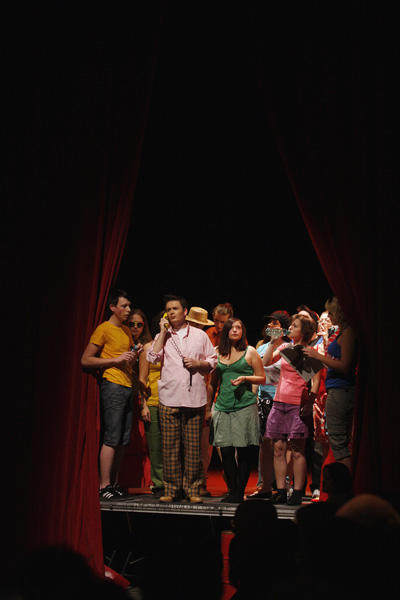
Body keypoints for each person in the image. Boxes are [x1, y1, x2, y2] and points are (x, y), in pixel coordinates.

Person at [147, 295, 217, 503]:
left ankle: (193, 489)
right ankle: (171, 489)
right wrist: (162, 332)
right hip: (169, 397)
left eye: (175, 308)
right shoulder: (164, 336)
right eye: (168, 309)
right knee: (170, 447)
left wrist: (198, 363)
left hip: (194, 398)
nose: (171, 312)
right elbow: (152, 358)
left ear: (185, 311)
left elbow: (213, 360)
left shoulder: (199, 335)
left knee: (193, 448)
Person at [81, 288, 141, 500]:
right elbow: (86, 359)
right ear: (113, 307)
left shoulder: (125, 330)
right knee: (112, 436)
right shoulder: (104, 329)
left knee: (123, 438)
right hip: (113, 384)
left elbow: (126, 358)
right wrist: (114, 360)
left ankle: (113, 484)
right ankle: (103, 485)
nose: (128, 309)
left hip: (127, 384)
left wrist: (134, 355)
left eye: (129, 306)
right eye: (124, 306)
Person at [209, 318, 266, 503]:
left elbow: (262, 377)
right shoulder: (218, 352)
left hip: (244, 405)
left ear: (243, 331)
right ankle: (232, 490)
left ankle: (238, 493)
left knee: (243, 451)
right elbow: (213, 382)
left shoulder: (250, 351)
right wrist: (209, 407)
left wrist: (245, 378)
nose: (235, 330)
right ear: (225, 331)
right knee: (225, 451)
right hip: (222, 405)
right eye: (231, 327)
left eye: (238, 327)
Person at [263, 314, 316, 505]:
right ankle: (281, 490)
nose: (290, 328)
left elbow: (315, 381)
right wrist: (272, 342)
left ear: (304, 331)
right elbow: (265, 363)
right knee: (278, 448)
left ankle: (298, 491)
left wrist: (309, 403)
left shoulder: (308, 352)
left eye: (295, 326)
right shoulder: (286, 348)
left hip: (296, 403)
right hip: (279, 402)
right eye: (291, 325)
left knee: (297, 450)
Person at [303, 297, 357, 470]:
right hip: (336, 389)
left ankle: (346, 482)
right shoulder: (342, 332)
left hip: (341, 390)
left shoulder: (348, 333)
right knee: (336, 441)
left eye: (331, 314)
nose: (329, 318)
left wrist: (318, 356)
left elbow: (345, 365)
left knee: (338, 442)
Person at [248, 310, 291, 499]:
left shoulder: (290, 347)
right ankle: (265, 486)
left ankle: (285, 487)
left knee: (282, 447)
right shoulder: (262, 348)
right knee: (265, 445)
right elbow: (261, 369)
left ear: (284, 328)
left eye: (275, 324)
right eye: (270, 323)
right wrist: (254, 399)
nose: (271, 326)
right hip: (265, 399)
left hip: (284, 400)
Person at [185, 306, 215, 496]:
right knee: (187, 444)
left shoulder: (205, 340)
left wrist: (208, 407)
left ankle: (200, 481)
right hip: (184, 395)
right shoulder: (183, 339)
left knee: (203, 444)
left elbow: (210, 376)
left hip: (202, 395)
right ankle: (187, 482)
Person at [138, 311, 164, 497]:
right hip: (153, 399)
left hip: (173, 400)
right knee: (155, 444)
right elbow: (142, 378)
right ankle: (159, 483)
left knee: (173, 445)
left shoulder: (174, 347)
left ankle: (173, 482)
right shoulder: (148, 347)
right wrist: (144, 405)